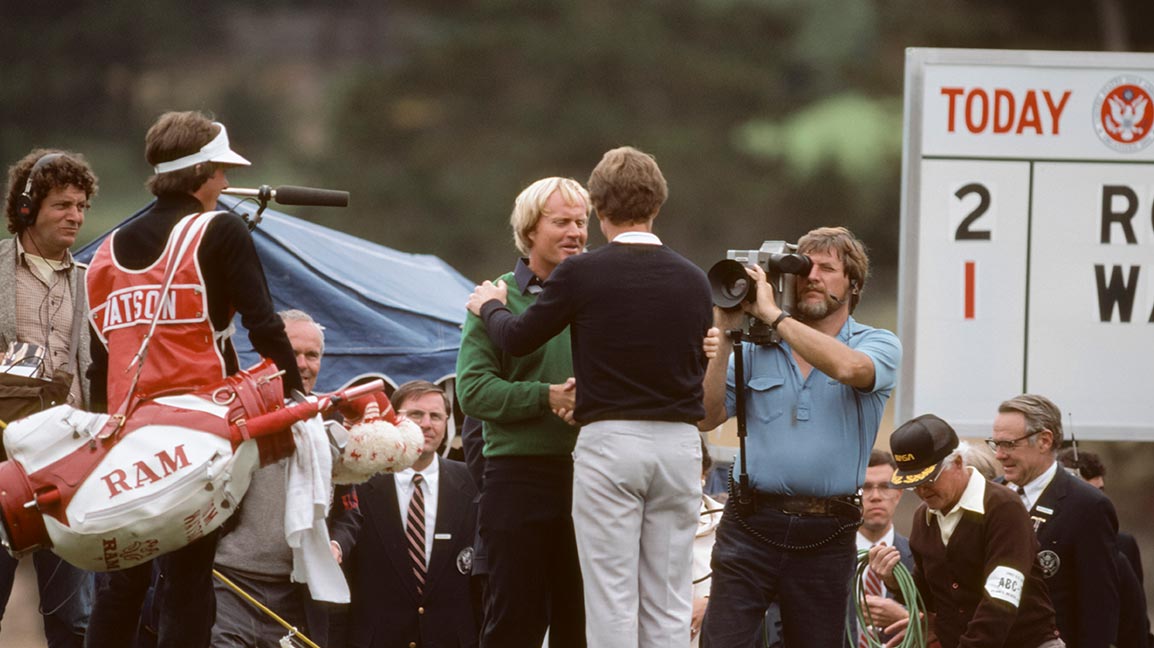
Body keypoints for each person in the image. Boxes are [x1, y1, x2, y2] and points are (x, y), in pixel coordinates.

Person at [467, 146, 713, 648]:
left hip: (613, 444)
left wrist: (490, 307)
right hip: (679, 446)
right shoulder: (693, 278)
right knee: (667, 600)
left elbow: (516, 338)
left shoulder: (583, 273)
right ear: (658, 204)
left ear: (600, 210)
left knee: (610, 600)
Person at [84, 110, 303, 648]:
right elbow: (265, 325)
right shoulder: (219, 229)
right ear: (202, 172)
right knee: (187, 582)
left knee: (123, 584)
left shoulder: (104, 256)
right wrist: (300, 393)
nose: (227, 184)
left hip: (124, 441)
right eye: (222, 172)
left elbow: (99, 364)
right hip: (196, 435)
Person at [697, 226, 901, 648]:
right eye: (804, 267)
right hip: (751, 523)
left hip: (826, 532)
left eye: (828, 268)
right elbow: (705, 416)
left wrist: (774, 316)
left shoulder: (876, 342)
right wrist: (726, 333)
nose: (813, 276)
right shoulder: (754, 347)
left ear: (853, 284)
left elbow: (850, 370)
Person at [455, 177, 589, 647]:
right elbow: (472, 392)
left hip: (593, 475)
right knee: (514, 623)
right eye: (562, 222)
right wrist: (547, 396)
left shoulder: (601, 297)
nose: (575, 232)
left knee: (585, 624)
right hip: (517, 478)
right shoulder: (495, 299)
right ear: (530, 230)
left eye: (581, 221)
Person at [211, 309, 361, 647]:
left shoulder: (330, 426)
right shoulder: (232, 412)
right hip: (227, 584)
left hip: (296, 591)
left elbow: (351, 511)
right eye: (293, 353)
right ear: (270, 353)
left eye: (312, 355)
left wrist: (336, 544)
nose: (303, 365)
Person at [0, 149, 98, 647]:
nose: (75, 216)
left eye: (81, 206)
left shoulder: (91, 280)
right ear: (27, 207)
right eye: (63, 204)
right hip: (0, 463)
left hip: (67, 465)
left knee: (73, 617)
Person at [872, 414, 1063, 648]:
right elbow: (930, 597)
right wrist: (894, 581)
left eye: (930, 479)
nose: (922, 490)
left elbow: (1000, 599)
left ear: (958, 462)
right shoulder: (924, 517)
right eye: (912, 483)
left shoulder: (1003, 507)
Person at [346, 380, 478, 648]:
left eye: (436, 416)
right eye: (416, 414)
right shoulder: (361, 481)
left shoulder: (472, 482)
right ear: (395, 420)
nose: (427, 424)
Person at [991, 394, 1119, 648]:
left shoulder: (1087, 505)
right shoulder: (990, 495)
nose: (999, 455)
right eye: (995, 445)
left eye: (1009, 445)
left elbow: (1099, 605)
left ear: (1044, 440)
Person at [1057, 448, 1152, 648]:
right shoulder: (1043, 539)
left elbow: (1136, 619)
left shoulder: (1123, 545)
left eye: (1100, 490)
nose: (1097, 499)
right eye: (1088, 491)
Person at [851, 450, 915, 648]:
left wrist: (905, 617)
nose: (876, 497)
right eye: (866, 488)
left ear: (898, 494)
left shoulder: (919, 558)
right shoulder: (827, 559)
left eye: (885, 487)